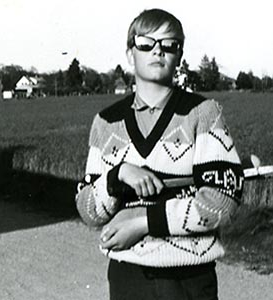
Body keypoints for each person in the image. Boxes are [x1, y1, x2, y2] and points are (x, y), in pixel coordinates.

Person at [75, 8, 244, 300]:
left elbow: (221, 202)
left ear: (179, 56)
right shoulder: (105, 123)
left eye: (169, 45)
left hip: (187, 280)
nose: (158, 51)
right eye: (146, 43)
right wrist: (118, 175)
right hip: (126, 277)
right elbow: (88, 209)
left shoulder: (203, 114)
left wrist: (143, 222)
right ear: (130, 54)